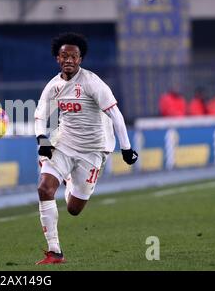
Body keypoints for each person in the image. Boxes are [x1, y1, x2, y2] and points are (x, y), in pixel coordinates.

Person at [34, 32, 138, 264]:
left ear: (80, 59)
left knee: (74, 209)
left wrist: (127, 148)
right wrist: (42, 140)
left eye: (74, 56)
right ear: (57, 59)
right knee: (44, 189)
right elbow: (40, 116)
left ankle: (69, 182)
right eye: (64, 56)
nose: (69, 60)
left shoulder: (92, 83)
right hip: (64, 144)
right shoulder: (53, 86)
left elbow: (115, 114)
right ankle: (55, 252)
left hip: (93, 149)